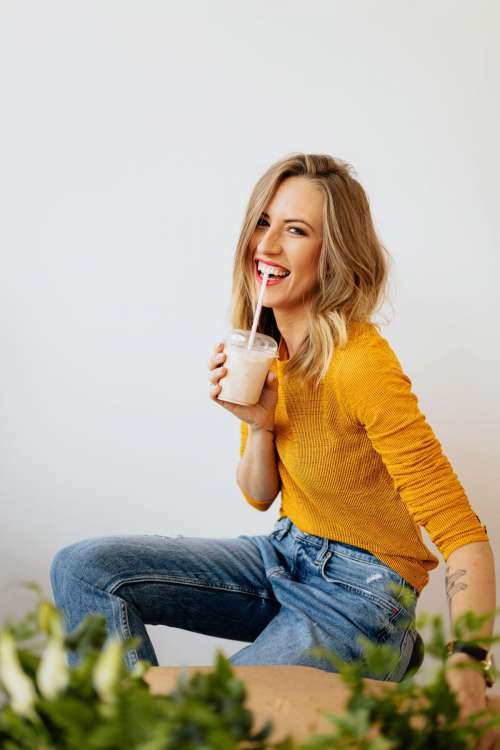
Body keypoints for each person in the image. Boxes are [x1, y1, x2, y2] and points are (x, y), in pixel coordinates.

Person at [50, 154, 495, 707]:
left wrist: (470, 661)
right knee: (84, 569)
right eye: (263, 222)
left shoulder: (360, 365)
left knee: (205, 711)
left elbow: (462, 533)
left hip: (359, 592)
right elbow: (260, 496)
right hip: (284, 554)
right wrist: (259, 425)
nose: (267, 245)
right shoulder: (268, 347)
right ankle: (132, 726)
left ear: (333, 253)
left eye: (296, 230)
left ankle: (382, 645)